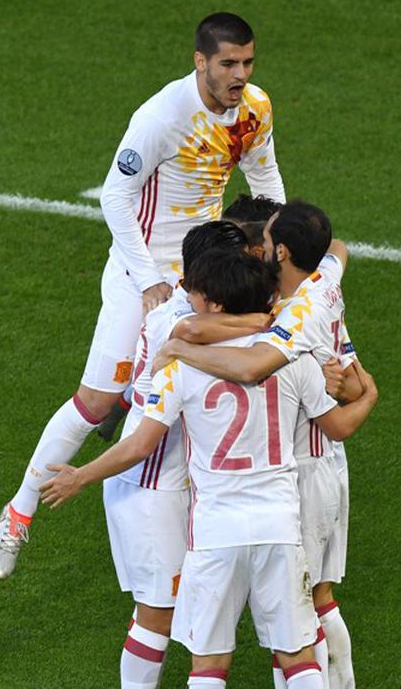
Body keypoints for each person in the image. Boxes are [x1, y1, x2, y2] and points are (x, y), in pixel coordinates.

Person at [0, 11, 286, 579]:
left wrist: (280, 260)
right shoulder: (162, 117)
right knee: (94, 402)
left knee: (223, 381)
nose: (240, 74)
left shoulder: (256, 109)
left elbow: (265, 183)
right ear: (201, 62)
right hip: (141, 274)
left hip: (208, 270)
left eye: (247, 62)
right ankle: (20, 512)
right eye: (228, 63)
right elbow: (114, 196)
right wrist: (149, 277)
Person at [40, 250, 379, 688]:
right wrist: (369, 397)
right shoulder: (291, 357)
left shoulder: (180, 364)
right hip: (278, 524)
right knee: (296, 655)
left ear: (215, 304)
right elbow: (338, 426)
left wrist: (81, 475)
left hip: (216, 532)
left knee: (209, 665)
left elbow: (141, 444)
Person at [155, 202, 360, 686]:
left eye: (265, 242)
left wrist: (180, 349)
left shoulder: (292, 320)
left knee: (298, 624)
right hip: (323, 464)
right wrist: (362, 390)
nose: (257, 247)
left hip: (298, 471)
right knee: (311, 609)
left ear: (282, 251)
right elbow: (337, 247)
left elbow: (248, 368)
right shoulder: (324, 283)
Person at [107, 221, 269, 689]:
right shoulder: (173, 319)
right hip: (150, 482)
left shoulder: (190, 308)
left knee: (174, 609)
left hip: (170, 480)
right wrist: (266, 319)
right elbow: (195, 330)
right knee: (157, 613)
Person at [97, 192, 281, 442]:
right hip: (152, 471)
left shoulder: (211, 299)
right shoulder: (170, 310)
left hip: (189, 464)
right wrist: (261, 321)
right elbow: (190, 330)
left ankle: (125, 401)